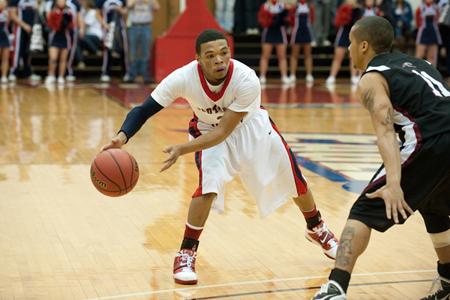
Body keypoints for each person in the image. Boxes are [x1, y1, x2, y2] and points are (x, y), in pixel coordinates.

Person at [101, 29, 339, 285]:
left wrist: (182, 148)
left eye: (224, 53)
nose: (219, 60)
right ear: (198, 59)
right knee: (208, 187)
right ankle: (186, 252)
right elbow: (144, 109)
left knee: (292, 176)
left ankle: (316, 227)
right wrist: (122, 137)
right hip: (207, 130)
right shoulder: (183, 77)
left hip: (250, 127)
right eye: (211, 55)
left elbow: (226, 130)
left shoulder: (246, 78)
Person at [312, 16, 450, 300]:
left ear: (363, 46)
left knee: (362, 211)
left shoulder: (372, 79)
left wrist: (394, 183)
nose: (348, 49)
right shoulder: (419, 64)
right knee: (434, 208)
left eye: (350, 43)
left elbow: (386, 131)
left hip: (431, 140)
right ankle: (448, 282)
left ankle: (335, 289)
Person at [325, 0, 362, 87]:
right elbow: (338, 22)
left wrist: (355, 9)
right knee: (338, 56)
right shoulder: (343, 8)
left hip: (354, 34)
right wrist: (347, 10)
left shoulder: (358, 9)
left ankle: (353, 77)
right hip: (344, 33)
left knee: (353, 57)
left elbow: (359, 23)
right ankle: (332, 76)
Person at [257, 0, 290, 84]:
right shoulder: (265, 6)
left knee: (282, 56)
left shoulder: (283, 5)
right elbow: (261, 19)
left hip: (280, 31)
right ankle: (262, 76)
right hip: (269, 31)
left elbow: (288, 18)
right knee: (265, 56)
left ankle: (284, 76)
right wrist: (269, 19)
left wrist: (285, 13)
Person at [126, 0, 159, 83]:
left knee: (146, 51)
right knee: (133, 51)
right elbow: (129, 6)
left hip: (146, 26)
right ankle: (132, 75)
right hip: (134, 26)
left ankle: (145, 75)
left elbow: (157, 8)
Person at [45, 0, 73, 85]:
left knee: (63, 59)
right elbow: (50, 24)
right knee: (53, 58)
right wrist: (59, 20)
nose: (61, 2)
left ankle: (61, 76)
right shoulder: (52, 11)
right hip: (55, 36)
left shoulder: (69, 11)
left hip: (65, 37)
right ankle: (51, 75)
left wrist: (67, 22)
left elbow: (71, 25)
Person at [288, 0, 315, 84]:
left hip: (307, 31)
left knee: (308, 54)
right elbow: (291, 19)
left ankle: (309, 74)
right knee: (294, 54)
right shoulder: (294, 7)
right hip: (297, 32)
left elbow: (312, 19)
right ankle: (292, 75)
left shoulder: (310, 7)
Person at [415, 0, 442, 67]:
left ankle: (431, 74)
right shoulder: (420, 8)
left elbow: (438, 21)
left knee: (432, 57)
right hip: (423, 33)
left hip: (433, 33)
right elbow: (417, 23)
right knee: (419, 55)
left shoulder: (436, 8)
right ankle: (416, 73)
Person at [0, 0, 10, 84]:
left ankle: (4, 76)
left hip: (5, 35)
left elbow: (8, 24)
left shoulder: (6, 12)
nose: (3, 4)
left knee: (5, 58)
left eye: (4, 2)